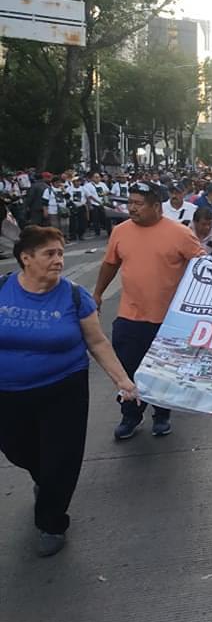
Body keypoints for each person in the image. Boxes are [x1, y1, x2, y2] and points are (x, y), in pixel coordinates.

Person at [0, 227, 137, 557]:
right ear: (25, 258)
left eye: (61, 253)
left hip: (64, 389)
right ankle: (45, 479)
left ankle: (51, 522)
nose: (58, 260)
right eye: (50, 254)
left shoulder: (74, 296)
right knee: (17, 450)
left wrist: (123, 381)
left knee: (61, 458)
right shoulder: (3, 288)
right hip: (8, 392)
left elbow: (97, 341)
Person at [92, 182, 206, 440]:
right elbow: (110, 264)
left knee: (164, 371)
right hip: (130, 317)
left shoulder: (180, 234)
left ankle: (162, 415)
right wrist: (97, 293)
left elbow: (202, 269)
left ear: (156, 206)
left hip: (168, 320)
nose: (132, 208)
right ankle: (130, 415)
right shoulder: (120, 232)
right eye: (130, 202)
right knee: (127, 369)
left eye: (138, 204)